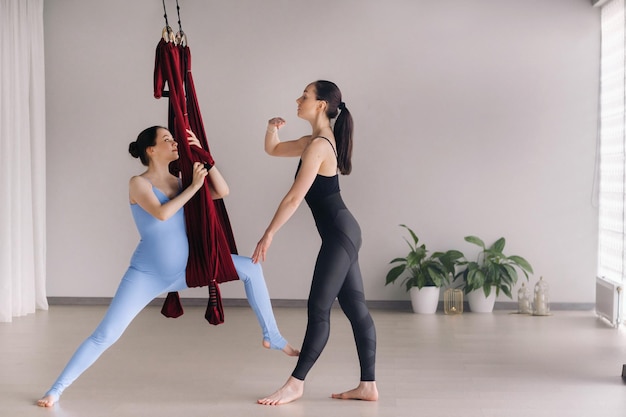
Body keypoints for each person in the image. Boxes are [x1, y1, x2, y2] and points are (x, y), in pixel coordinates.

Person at [37, 126, 298, 408]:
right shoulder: (138, 183)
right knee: (105, 335)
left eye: (173, 139)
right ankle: (56, 390)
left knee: (251, 268)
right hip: (146, 276)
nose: (174, 143)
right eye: (167, 139)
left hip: (187, 271)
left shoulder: (181, 181)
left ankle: (271, 334)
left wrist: (204, 157)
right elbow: (162, 213)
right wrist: (195, 188)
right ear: (151, 150)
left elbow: (222, 191)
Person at [252, 80, 378, 405]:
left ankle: (296, 383)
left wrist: (268, 234)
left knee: (319, 309)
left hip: (340, 234)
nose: (298, 99)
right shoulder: (314, 141)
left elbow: (295, 198)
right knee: (356, 310)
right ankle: (368, 386)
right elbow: (274, 149)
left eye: (304, 96)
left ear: (321, 105)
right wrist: (270, 128)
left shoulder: (320, 145)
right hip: (344, 232)